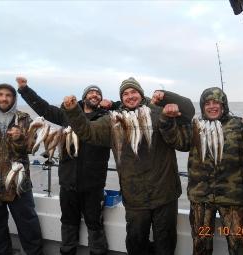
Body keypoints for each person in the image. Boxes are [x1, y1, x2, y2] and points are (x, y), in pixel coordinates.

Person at [61, 77, 194, 255]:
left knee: (166, 244)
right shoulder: (113, 120)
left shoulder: (157, 111)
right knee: (136, 243)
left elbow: (189, 111)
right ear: (121, 98)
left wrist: (168, 97)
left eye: (133, 92)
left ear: (141, 93)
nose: (130, 96)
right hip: (135, 197)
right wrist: (73, 110)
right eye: (125, 94)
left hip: (165, 194)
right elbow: (87, 132)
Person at [158, 87, 243, 255]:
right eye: (207, 103)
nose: (212, 106)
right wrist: (166, 120)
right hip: (201, 199)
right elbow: (177, 141)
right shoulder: (195, 125)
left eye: (216, 102)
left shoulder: (240, 125)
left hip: (233, 200)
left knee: (241, 247)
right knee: (201, 246)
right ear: (202, 107)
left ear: (224, 105)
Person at [16, 77, 109, 255]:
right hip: (68, 182)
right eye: (91, 92)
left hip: (94, 185)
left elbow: (126, 112)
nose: (95, 95)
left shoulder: (106, 119)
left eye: (98, 93)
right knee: (68, 222)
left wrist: (112, 104)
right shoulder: (67, 114)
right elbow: (43, 108)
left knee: (95, 223)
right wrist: (25, 89)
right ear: (84, 97)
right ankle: (67, 251)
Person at [0, 83, 44, 255]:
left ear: (14, 98)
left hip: (18, 184)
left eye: (8, 95)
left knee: (29, 225)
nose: (4, 98)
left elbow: (32, 148)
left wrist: (21, 138)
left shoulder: (24, 118)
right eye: (0, 95)